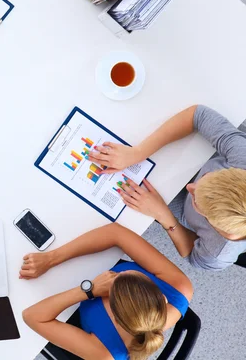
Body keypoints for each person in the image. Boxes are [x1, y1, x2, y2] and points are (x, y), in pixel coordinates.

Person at [87, 105, 246, 270]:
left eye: (197, 201)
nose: (189, 186)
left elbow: (192, 254)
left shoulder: (217, 255)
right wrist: (138, 153)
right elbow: (198, 115)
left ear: (214, 225)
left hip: (177, 213)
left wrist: (164, 217)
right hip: (197, 155)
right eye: (209, 176)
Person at [21, 224, 193, 360]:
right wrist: (51, 259)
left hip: (67, 309)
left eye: (116, 281)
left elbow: (32, 316)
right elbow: (115, 233)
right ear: (162, 298)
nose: (120, 272)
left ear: (115, 317)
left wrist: (89, 290)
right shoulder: (179, 288)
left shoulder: (107, 354)